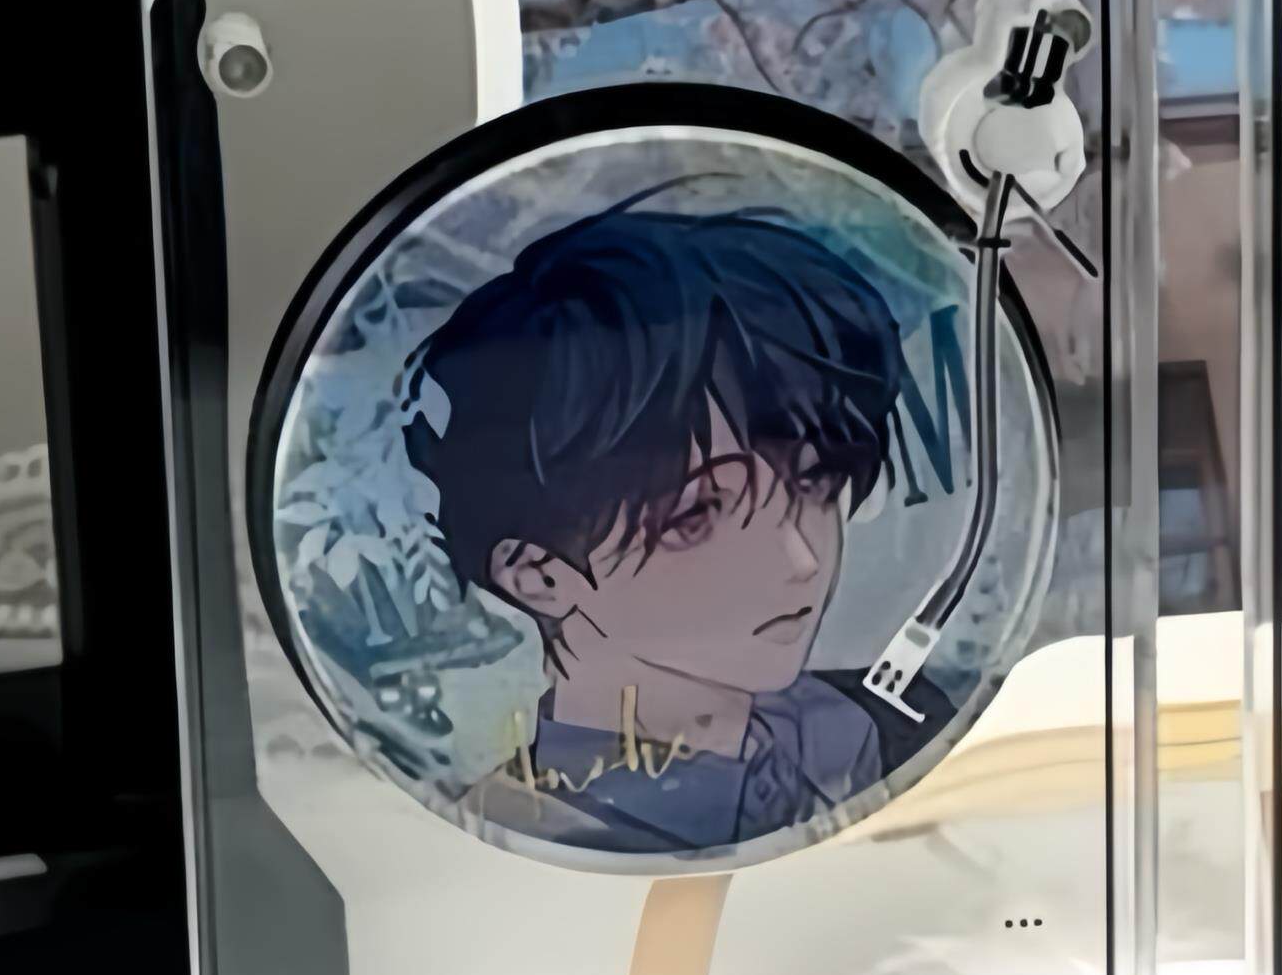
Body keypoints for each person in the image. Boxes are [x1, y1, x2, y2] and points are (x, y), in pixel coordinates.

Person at [403, 195, 950, 856]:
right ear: (538, 574)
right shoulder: (523, 844)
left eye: (814, 480)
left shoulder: (869, 724)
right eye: (695, 517)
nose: (800, 558)